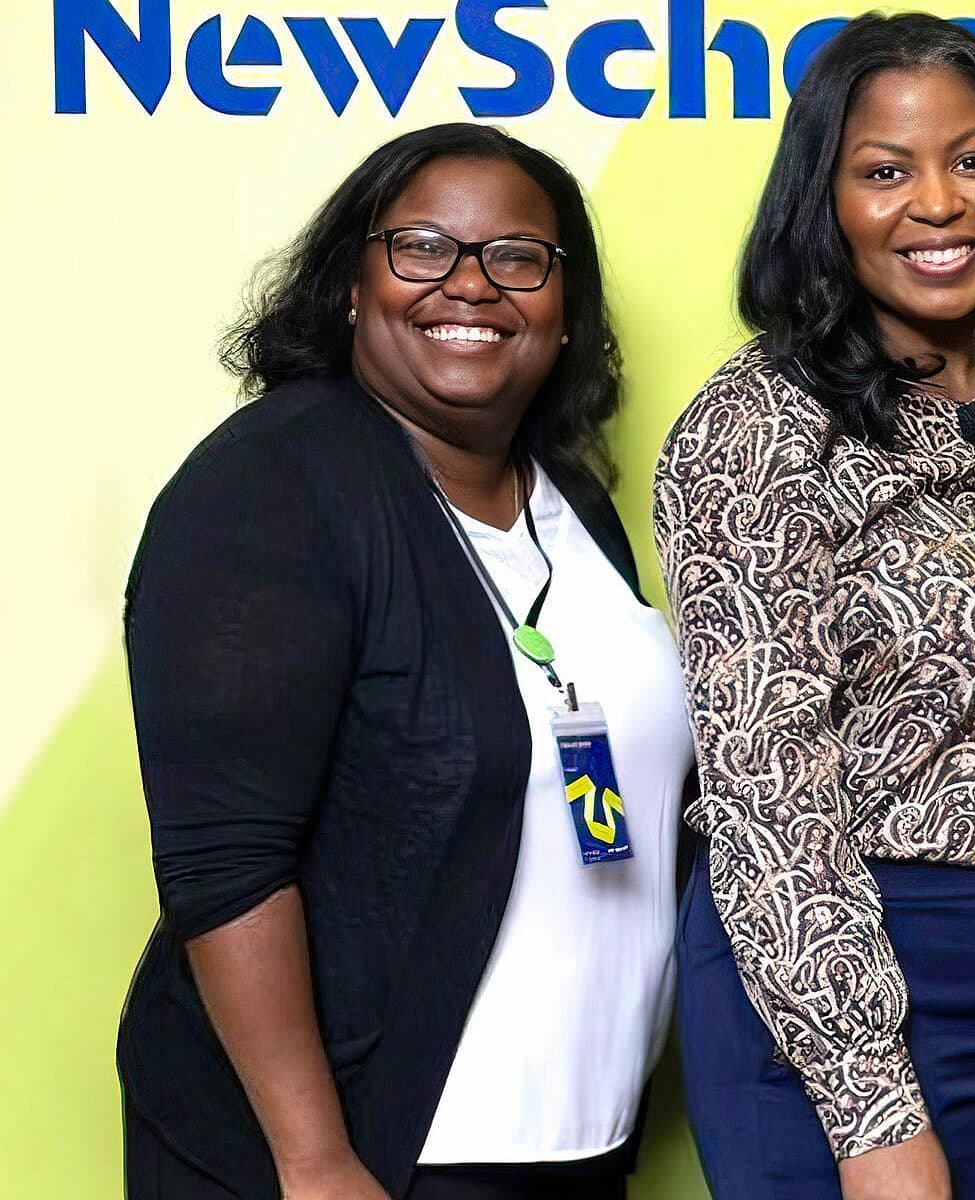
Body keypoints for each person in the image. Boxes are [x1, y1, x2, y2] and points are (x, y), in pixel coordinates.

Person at [653, 14, 975, 1200]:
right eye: (885, 171)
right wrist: (868, 1107)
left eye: (974, 160)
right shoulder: (759, 424)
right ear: (822, 200)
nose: (937, 204)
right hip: (870, 981)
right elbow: (766, 788)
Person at [119, 123, 690, 1200]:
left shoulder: (568, 500)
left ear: (564, 310)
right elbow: (224, 857)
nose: (470, 286)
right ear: (351, 282)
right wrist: (315, 1159)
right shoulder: (273, 487)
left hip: (575, 1138)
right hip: (376, 1159)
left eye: (518, 258)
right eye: (423, 247)